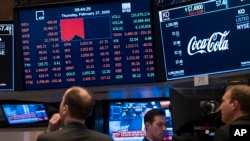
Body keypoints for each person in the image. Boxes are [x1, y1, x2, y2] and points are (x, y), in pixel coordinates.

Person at [37, 86, 113, 141]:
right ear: (89, 112)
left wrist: (49, 132)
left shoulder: (46, 139)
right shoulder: (105, 139)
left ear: (65, 109)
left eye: (62, 101)